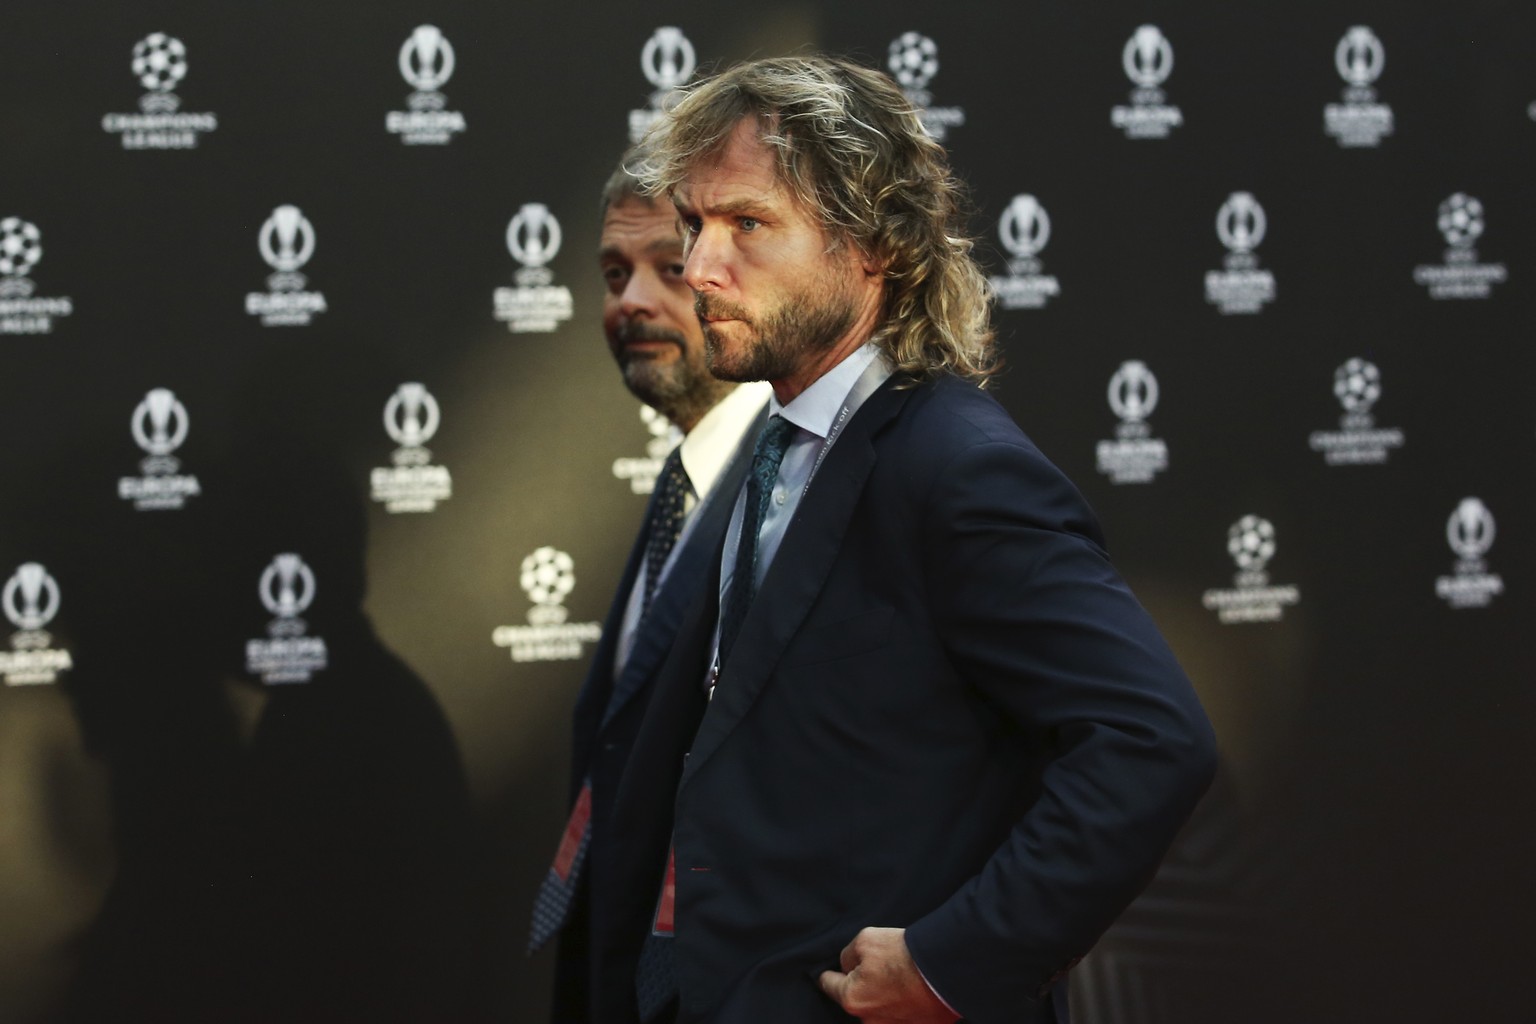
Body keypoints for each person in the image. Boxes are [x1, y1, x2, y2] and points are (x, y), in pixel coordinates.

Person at [595, 56, 1218, 1024]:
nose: (701, 267)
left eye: (748, 224)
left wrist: (950, 963)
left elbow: (1152, 739)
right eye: (695, 224)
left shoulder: (956, 466)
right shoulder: (778, 442)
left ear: (873, 243)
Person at [529, 149, 770, 1023]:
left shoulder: (796, 493)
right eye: (612, 273)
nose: (629, 301)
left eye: (668, 269)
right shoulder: (686, 481)